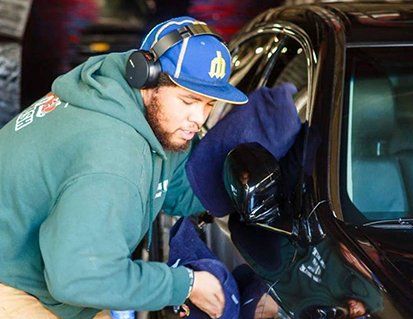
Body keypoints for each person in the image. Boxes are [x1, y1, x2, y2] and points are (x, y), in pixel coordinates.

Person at [0, 16, 248, 319]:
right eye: (188, 100)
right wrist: (186, 285)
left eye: (209, 104)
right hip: (17, 288)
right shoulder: (113, 157)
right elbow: (81, 278)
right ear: (146, 77)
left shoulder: (126, 105)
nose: (198, 118)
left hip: (55, 278)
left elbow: (178, 190)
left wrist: (242, 188)